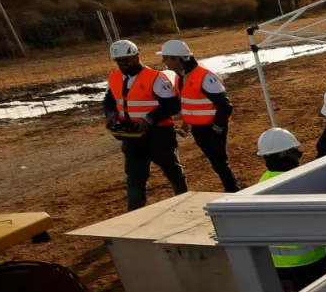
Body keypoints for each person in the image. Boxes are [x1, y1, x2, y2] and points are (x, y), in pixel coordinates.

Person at [100, 39, 187, 211]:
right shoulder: (114, 77)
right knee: (134, 175)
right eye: (119, 61)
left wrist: (149, 119)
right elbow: (109, 100)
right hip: (131, 136)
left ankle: (185, 201)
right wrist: (111, 114)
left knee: (172, 169)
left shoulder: (156, 78)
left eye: (127, 60)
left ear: (137, 56)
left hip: (159, 135)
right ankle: (134, 213)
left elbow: (172, 105)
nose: (123, 64)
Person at [158, 39, 239, 193]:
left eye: (166, 58)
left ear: (178, 59)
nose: (164, 62)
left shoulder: (205, 77)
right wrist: (186, 123)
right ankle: (233, 190)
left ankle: (234, 191)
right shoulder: (181, 76)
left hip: (212, 128)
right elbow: (189, 102)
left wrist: (217, 129)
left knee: (220, 163)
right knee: (217, 163)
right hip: (199, 128)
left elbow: (225, 106)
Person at [254, 128, 326, 292]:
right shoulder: (296, 184)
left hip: (278, 267)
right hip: (309, 264)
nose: (299, 157)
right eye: (296, 152)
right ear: (283, 154)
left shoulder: (261, 185)